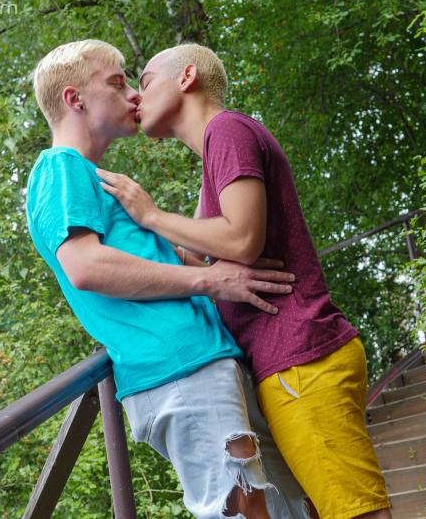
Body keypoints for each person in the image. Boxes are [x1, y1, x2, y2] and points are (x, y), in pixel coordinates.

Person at [98, 43, 393, 519]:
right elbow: (200, 258)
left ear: (187, 77)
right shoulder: (216, 154)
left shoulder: (227, 130)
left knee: (355, 511)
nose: (136, 96)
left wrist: (151, 215)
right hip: (291, 360)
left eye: (146, 82)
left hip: (299, 355)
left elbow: (241, 239)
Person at [25, 39, 310, 519]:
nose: (134, 95)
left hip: (204, 361)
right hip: (177, 369)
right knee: (244, 511)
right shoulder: (59, 167)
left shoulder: (96, 178)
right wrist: (210, 282)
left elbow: (172, 257)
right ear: (75, 99)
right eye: (118, 83)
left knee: (294, 507)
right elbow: (86, 267)